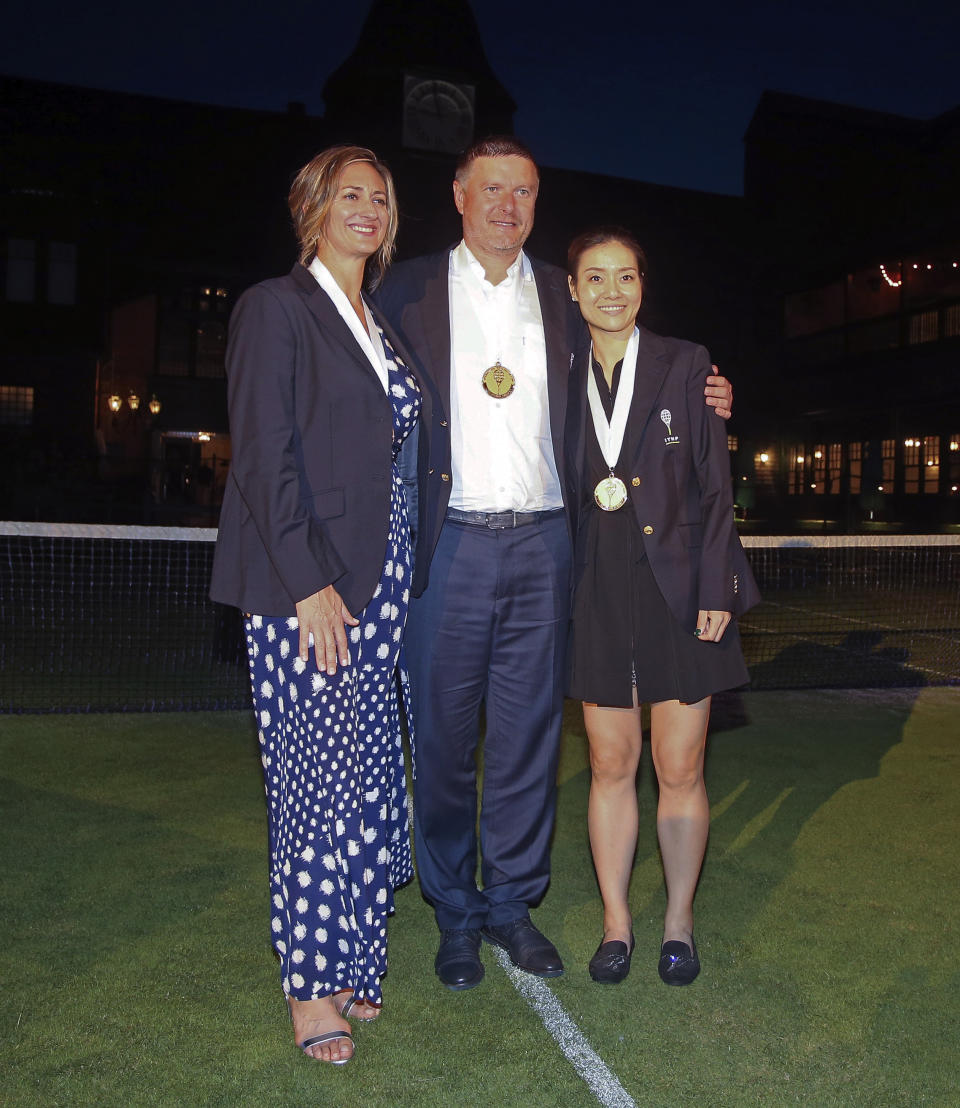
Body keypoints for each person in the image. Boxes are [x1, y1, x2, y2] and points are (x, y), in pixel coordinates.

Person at [375, 137, 734, 991]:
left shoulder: (564, 297)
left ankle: (513, 905)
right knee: (445, 739)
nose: (507, 203)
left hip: (547, 545)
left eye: (524, 191)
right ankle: (454, 913)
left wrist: (711, 393)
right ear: (459, 193)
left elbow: (644, 375)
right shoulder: (405, 289)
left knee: (532, 741)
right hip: (451, 541)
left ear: (537, 204)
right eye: (491, 187)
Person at [210, 146, 430, 1064]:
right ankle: (311, 987)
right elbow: (263, 455)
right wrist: (307, 582)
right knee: (313, 791)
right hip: (312, 588)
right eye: (350, 196)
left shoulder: (381, 323)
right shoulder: (276, 307)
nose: (368, 210)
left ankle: (357, 962)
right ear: (311, 208)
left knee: (368, 784)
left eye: (379, 198)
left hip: (384, 586)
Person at [563, 227, 760, 987]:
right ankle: (617, 924)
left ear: (644, 285)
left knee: (680, 764)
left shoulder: (685, 365)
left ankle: (678, 920)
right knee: (610, 760)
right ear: (572, 290)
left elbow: (716, 485)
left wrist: (720, 587)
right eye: (595, 277)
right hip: (595, 587)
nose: (612, 290)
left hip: (682, 584)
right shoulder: (557, 366)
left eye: (626, 276)